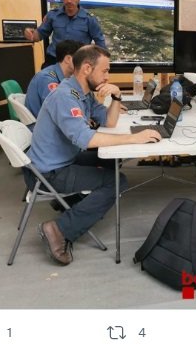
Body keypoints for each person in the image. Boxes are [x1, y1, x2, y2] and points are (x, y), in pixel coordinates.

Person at [24, 45, 162, 265]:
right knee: (116, 181)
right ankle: (59, 229)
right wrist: (134, 138)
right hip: (47, 173)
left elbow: (109, 121)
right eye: (105, 71)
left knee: (110, 161)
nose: (108, 77)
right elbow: (86, 139)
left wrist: (117, 96)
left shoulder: (83, 93)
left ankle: (71, 202)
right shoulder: (65, 96)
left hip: (61, 160)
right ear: (87, 68)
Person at [25, 0, 106, 68]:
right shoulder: (52, 15)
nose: (69, 0)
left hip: (77, 63)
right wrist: (31, 35)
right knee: (42, 76)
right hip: (54, 60)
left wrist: (99, 66)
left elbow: (100, 43)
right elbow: (40, 34)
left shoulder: (89, 19)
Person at [25, 39, 83, 118]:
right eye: (81, 59)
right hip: (43, 124)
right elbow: (59, 109)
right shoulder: (47, 79)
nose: (84, 64)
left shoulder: (67, 78)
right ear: (68, 59)